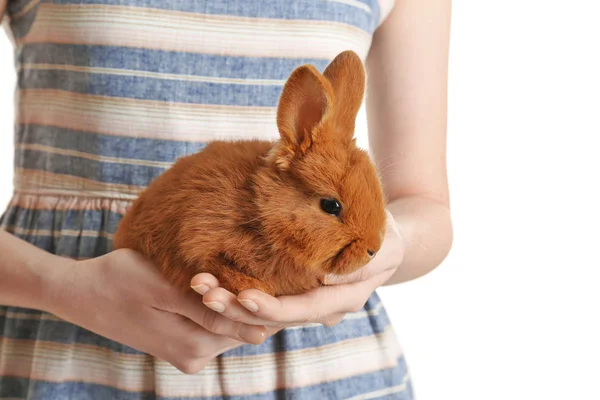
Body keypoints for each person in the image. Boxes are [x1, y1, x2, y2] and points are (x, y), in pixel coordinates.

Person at [0, 0, 452, 398]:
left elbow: (424, 206)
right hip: (74, 350)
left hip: (331, 367)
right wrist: (60, 286)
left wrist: (387, 249)